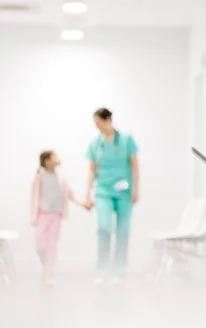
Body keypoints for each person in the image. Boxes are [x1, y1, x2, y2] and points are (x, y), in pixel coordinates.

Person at [84, 107, 139, 284]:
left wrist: (137, 189)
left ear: (108, 120)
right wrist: (87, 194)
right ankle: (101, 270)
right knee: (104, 229)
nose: (96, 126)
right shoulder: (95, 144)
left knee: (123, 232)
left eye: (98, 122)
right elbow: (91, 170)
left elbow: (134, 166)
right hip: (103, 192)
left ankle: (119, 271)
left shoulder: (126, 140)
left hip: (124, 192)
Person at [30, 150, 82, 286]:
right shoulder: (39, 177)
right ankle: (46, 266)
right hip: (42, 215)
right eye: (55, 157)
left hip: (56, 216)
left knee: (52, 245)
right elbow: (34, 195)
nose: (58, 158)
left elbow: (70, 194)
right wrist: (33, 215)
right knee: (40, 245)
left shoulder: (61, 178)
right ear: (47, 161)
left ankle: (48, 274)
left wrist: (83, 204)